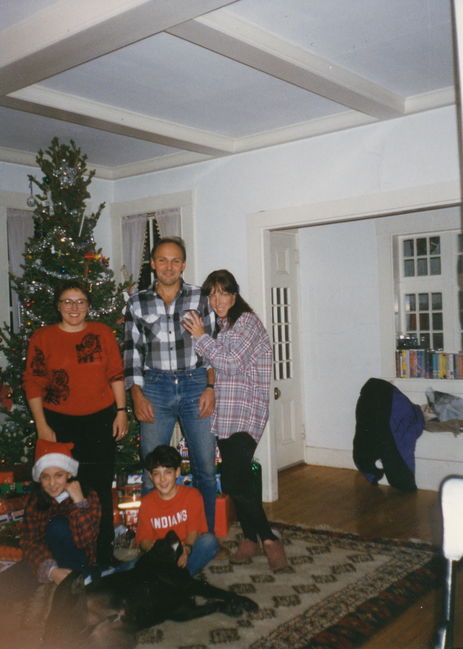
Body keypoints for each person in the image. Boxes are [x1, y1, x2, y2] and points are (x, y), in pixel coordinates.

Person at [183, 269, 288, 571]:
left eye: (223, 293)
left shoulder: (247, 322)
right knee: (239, 479)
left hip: (246, 413)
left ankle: (268, 538)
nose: (217, 300)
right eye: (212, 294)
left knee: (232, 479)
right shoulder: (221, 324)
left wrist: (200, 336)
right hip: (225, 414)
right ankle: (251, 539)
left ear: (234, 294)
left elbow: (229, 364)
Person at [23, 279, 128, 567]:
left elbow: (116, 374)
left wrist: (121, 411)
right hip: (59, 422)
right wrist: (42, 425)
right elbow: (32, 384)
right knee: (61, 487)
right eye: (67, 301)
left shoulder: (101, 333)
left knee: (99, 488)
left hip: (99, 421)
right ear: (57, 306)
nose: (74, 307)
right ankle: (66, 555)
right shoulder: (42, 338)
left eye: (80, 301)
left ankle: (104, 555)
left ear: (89, 306)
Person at [124, 236, 217, 533]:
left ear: (184, 264)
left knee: (205, 468)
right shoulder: (137, 302)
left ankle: (205, 535)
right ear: (152, 264)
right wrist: (136, 394)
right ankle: (158, 540)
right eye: (162, 260)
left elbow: (212, 347)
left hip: (195, 385)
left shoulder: (201, 297)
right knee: (154, 471)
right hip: (155, 387)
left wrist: (210, 387)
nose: (169, 266)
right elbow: (132, 352)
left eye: (175, 260)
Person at [21, 439, 100, 587]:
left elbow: (87, 542)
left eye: (58, 475)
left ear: (69, 474)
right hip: (50, 563)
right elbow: (29, 541)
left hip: (81, 562)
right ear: (39, 478)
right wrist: (51, 570)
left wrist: (79, 502)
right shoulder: (35, 502)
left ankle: (84, 579)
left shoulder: (88, 496)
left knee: (58, 525)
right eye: (45, 477)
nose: (52, 483)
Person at [135, 445, 218, 575]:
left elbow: (193, 532)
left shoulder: (192, 495)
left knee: (209, 542)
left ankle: (177, 579)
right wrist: (151, 548)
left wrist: (186, 550)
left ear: (177, 472)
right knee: (127, 570)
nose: (162, 479)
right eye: (157, 473)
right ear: (150, 476)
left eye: (168, 472)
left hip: (185, 550)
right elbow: (144, 539)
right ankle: (173, 580)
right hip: (161, 555)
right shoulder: (147, 503)